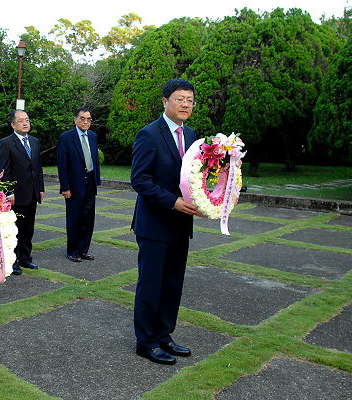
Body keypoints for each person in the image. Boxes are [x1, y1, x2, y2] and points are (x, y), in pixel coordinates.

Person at [131, 78, 199, 365]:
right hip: (155, 224)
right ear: (165, 101)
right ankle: (146, 342)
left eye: (190, 100)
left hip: (181, 225)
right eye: (180, 99)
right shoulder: (149, 134)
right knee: (152, 284)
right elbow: (140, 180)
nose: (185, 104)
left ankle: (164, 334)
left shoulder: (193, 135)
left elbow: (195, 175)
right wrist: (172, 201)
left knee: (172, 284)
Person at [0, 110, 45, 275]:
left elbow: (37, 168)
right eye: (21, 121)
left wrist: (40, 188)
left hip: (32, 193)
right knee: (14, 228)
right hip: (15, 196)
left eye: (27, 120)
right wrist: (8, 193)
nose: (25, 123)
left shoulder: (34, 142)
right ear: (13, 124)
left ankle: (25, 258)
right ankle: (13, 260)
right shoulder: (7, 143)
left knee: (28, 228)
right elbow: (4, 170)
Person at [57, 108, 101, 263]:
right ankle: (72, 251)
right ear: (75, 120)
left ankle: (83, 250)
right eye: (82, 119)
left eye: (88, 119)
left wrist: (97, 180)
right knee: (74, 218)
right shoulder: (67, 137)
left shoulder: (93, 136)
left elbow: (94, 160)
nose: (85, 122)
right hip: (74, 184)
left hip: (90, 182)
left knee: (88, 218)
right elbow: (62, 164)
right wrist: (65, 187)